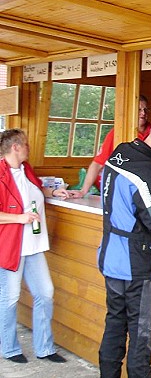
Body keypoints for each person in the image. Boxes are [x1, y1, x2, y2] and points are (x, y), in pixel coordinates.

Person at [98, 118, 151, 378]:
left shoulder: (122, 153)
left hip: (112, 257)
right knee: (141, 332)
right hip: (138, 262)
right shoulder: (149, 171)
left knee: (115, 323)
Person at [0, 129, 71, 364]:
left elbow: (35, 190)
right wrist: (19, 218)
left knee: (45, 293)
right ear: (15, 147)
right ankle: (9, 349)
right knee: (9, 299)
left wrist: (53, 192)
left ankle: (45, 348)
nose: (29, 147)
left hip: (34, 245)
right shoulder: (0, 174)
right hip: (10, 247)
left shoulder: (26, 169)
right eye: (26, 144)